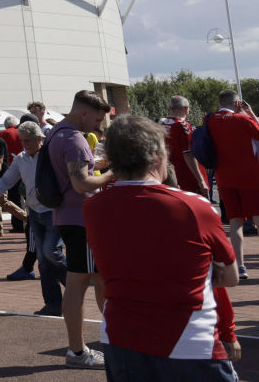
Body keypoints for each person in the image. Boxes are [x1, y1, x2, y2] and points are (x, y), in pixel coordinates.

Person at [85, 114, 238, 379]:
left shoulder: (92, 207)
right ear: (157, 155)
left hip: (121, 337)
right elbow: (231, 277)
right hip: (189, 340)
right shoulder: (194, 205)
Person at [50, 88, 113, 369]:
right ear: (84, 113)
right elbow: (81, 184)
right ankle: (77, 351)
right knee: (80, 283)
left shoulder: (57, 132)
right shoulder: (73, 138)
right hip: (80, 218)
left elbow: (75, 174)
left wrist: (99, 165)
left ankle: (102, 342)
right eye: (98, 120)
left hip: (70, 216)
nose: (98, 127)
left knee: (95, 280)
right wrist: (116, 171)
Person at [0, 120, 65, 316]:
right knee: (42, 260)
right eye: (22, 140)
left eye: (28, 140)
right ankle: (53, 305)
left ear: (39, 138)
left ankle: (77, 282)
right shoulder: (21, 159)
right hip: (34, 212)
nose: (24, 144)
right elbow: (8, 178)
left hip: (53, 211)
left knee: (51, 252)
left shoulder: (50, 156)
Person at [205, 89, 259, 280]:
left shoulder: (210, 120)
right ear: (237, 103)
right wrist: (250, 113)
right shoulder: (243, 120)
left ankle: (241, 265)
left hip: (224, 178)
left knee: (235, 222)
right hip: (250, 177)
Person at [162, 95, 208, 198]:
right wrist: (201, 180)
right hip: (187, 176)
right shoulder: (183, 125)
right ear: (186, 109)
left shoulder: (162, 124)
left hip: (170, 175)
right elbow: (188, 154)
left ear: (170, 108)